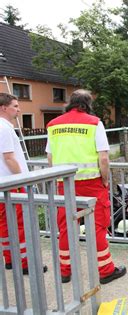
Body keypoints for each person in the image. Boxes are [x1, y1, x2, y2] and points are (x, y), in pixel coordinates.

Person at [46, 89, 126, 284]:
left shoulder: (53, 125)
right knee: (98, 227)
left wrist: (57, 178)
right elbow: (104, 157)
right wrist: (105, 180)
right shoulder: (94, 123)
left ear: (70, 103)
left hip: (64, 183)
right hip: (91, 184)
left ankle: (65, 271)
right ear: (87, 104)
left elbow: (50, 157)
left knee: (66, 227)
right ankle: (106, 270)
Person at [0, 93, 48, 274]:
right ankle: (26, 263)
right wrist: (24, 180)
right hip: (13, 183)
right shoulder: (4, 128)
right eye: (15, 106)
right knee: (21, 224)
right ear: (4, 108)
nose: (19, 110)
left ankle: (10, 259)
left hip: (3, 183)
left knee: (5, 224)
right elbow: (9, 158)